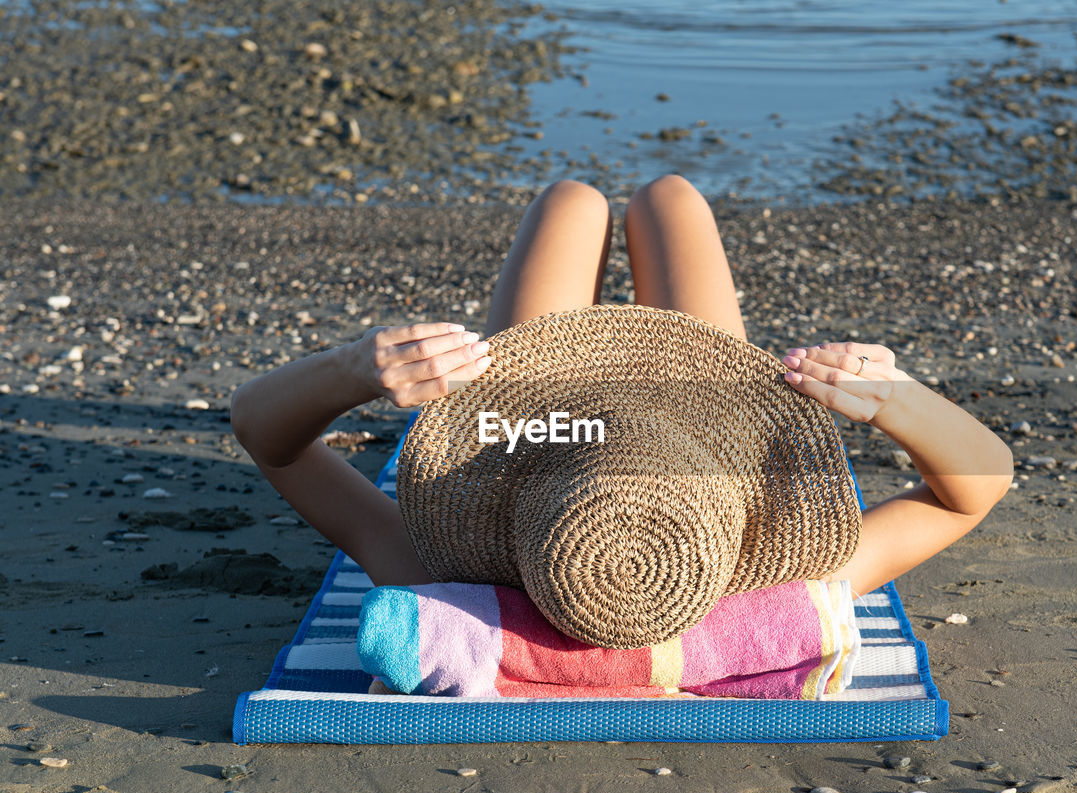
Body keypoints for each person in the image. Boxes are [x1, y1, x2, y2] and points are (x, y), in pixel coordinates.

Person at [230, 175, 1014, 621]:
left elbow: (264, 431)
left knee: (571, 201)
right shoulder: (781, 585)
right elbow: (975, 487)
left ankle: (597, 204)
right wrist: (892, 399)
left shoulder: (443, 573)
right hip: (681, 421)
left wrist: (354, 368)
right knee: (670, 199)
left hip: (546, 419)